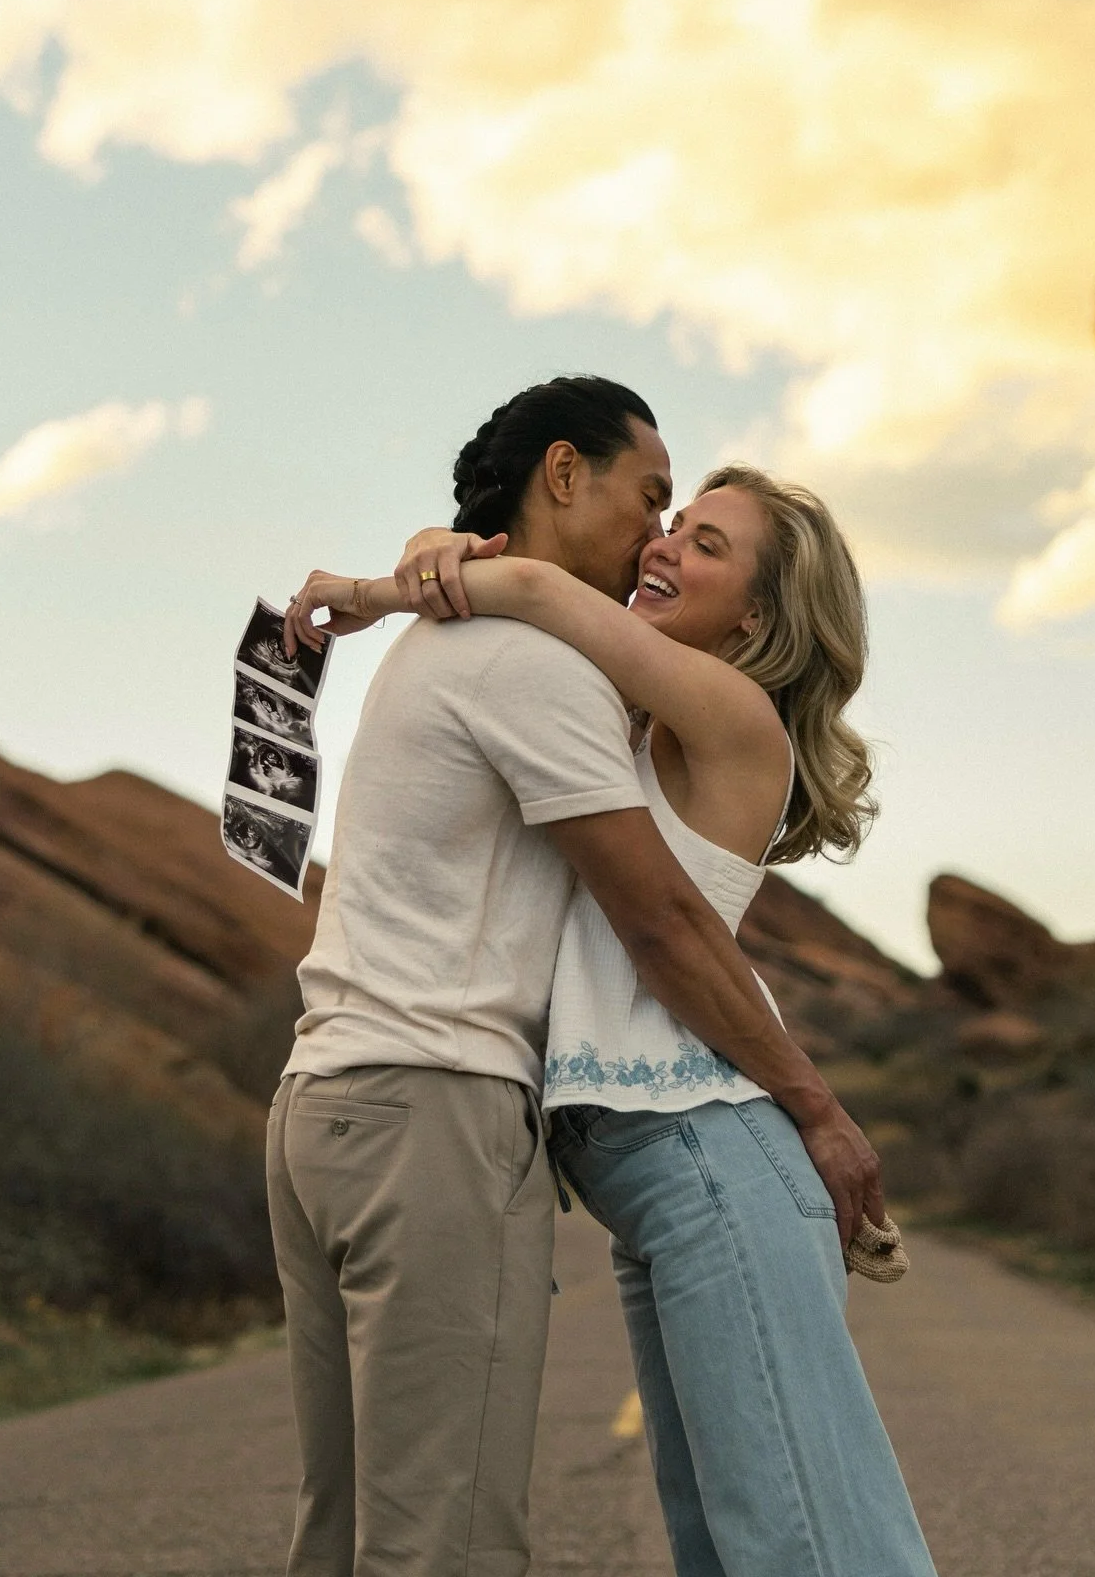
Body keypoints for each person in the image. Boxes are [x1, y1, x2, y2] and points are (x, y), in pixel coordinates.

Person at [272, 376, 884, 1577]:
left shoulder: (692, 710)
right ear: (563, 475)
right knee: (724, 1542)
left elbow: (662, 922)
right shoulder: (572, 684)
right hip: (534, 1134)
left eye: (697, 539)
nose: (658, 542)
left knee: (798, 1542)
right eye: (661, 509)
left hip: (695, 1141)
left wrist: (379, 588)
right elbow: (530, 594)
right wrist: (429, 561)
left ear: (758, 625)